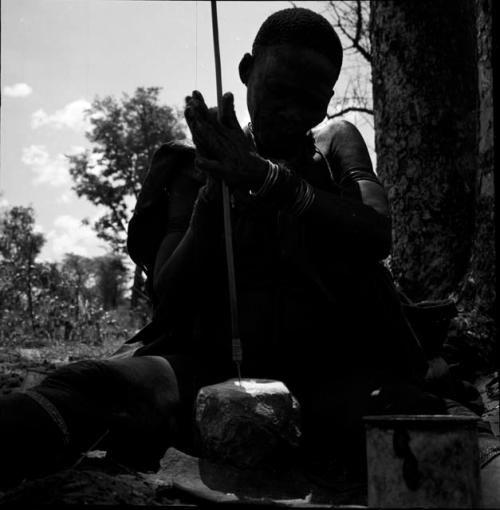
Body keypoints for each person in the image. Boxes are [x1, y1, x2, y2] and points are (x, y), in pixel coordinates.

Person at [0, 8, 498, 503]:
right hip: (208, 376)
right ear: (244, 71)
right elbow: (169, 297)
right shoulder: (199, 160)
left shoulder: (335, 144)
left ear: (327, 104)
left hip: (330, 375)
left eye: (311, 101)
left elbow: (375, 231)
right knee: (93, 389)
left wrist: (267, 180)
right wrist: (215, 196)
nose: (293, 112)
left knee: (428, 431)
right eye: (278, 91)